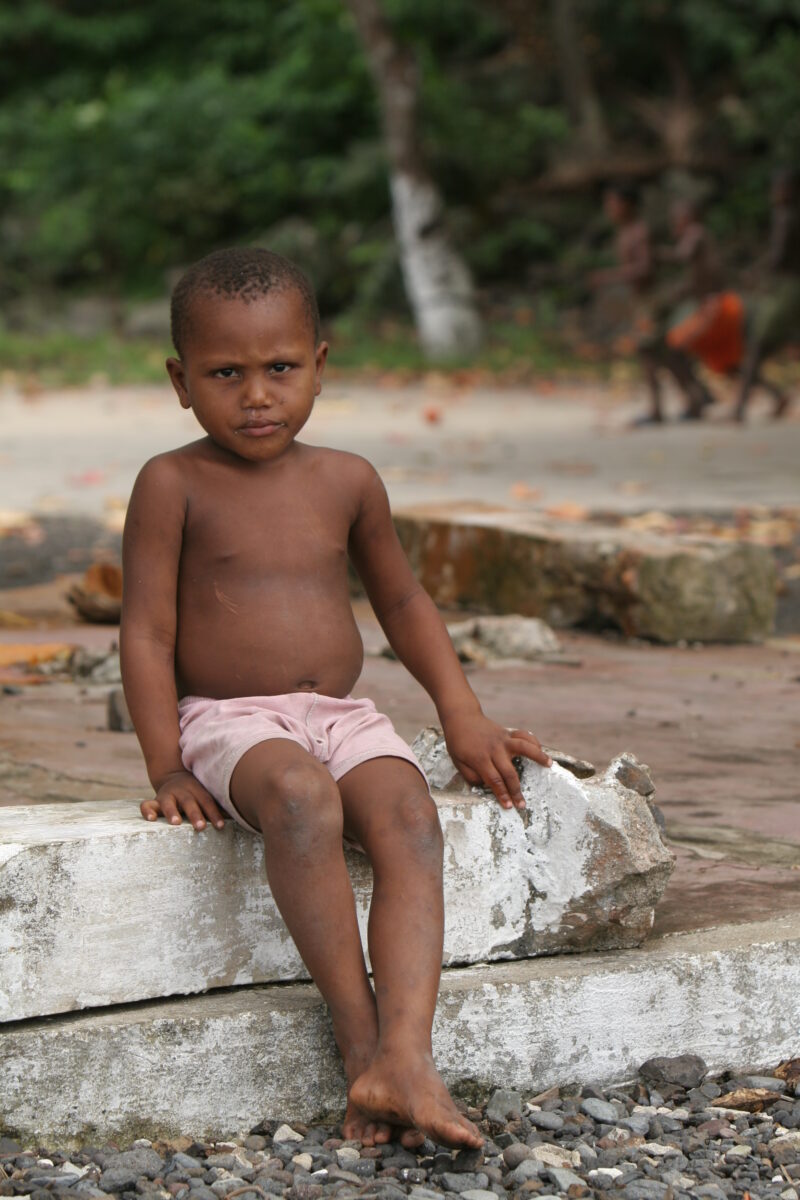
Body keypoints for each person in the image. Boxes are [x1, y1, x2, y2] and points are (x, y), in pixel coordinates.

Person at [120, 247, 551, 1152]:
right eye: (225, 374)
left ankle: (407, 1057)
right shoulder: (172, 483)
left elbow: (404, 602)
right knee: (300, 797)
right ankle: (363, 1047)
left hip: (341, 715)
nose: (257, 396)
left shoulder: (348, 479)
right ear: (180, 381)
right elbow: (148, 634)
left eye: (280, 368)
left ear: (320, 365)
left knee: (410, 816)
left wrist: (461, 712)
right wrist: (166, 765)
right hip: (230, 719)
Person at [592, 183, 711, 423]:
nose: (609, 208)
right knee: (664, 352)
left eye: (613, 203)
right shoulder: (626, 231)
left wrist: (609, 277)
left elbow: (645, 268)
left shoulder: (639, 232)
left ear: (627, 204)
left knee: (647, 350)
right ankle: (697, 397)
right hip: (642, 300)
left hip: (651, 299)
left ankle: (659, 409)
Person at [734, 168, 799, 422]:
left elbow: (777, 257)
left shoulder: (785, 217)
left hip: (786, 289)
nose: (777, 193)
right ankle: (774, 395)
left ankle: (739, 409)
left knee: (756, 345)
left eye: (782, 188)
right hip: (787, 288)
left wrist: (756, 273)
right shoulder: (787, 216)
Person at [662, 197, 745, 379]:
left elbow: (683, 255)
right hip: (716, 304)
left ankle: (697, 393)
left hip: (717, 307)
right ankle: (770, 391)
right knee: (725, 363)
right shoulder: (702, 243)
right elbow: (701, 277)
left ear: (687, 217)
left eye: (676, 219)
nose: (675, 224)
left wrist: (657, 254)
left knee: (674, 344)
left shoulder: (695, 232)